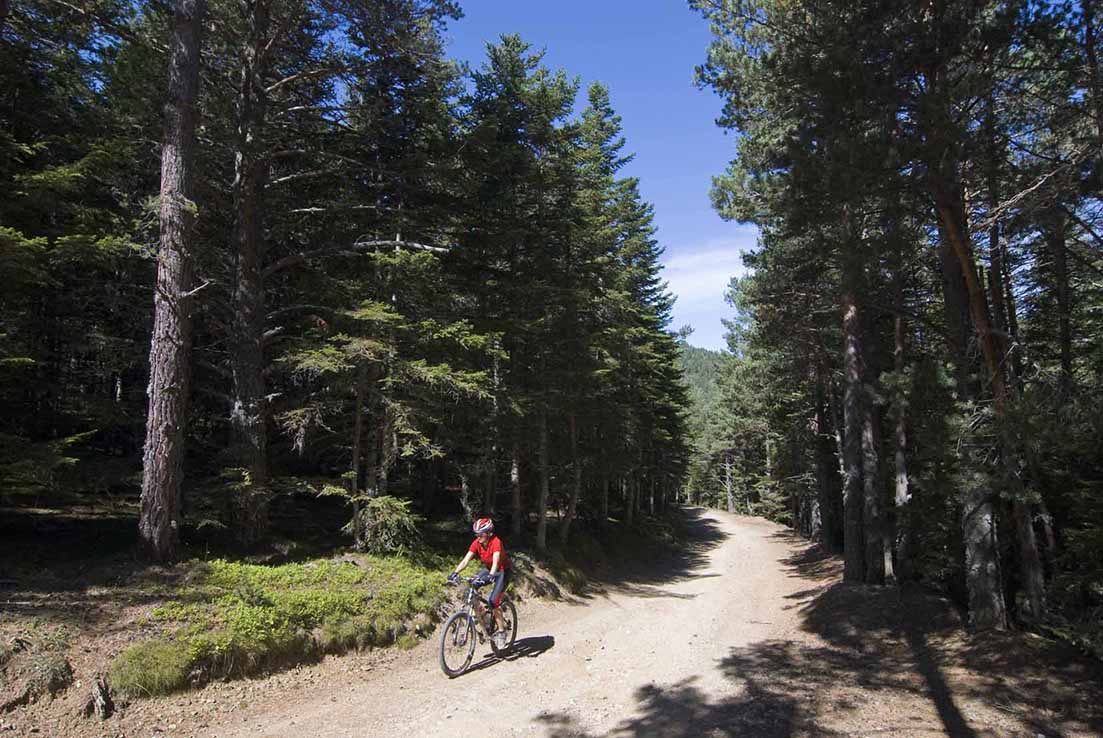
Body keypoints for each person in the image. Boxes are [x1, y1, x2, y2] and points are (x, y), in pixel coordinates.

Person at [448, 517, 511, 648]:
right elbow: (465, 561)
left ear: (488, 533)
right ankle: (484, 620)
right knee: (472, 589)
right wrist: (455, 573)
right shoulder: (477, 543)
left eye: (481, 533)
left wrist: (492, 575)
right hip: (488, 570)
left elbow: (496, 562)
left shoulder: (496, 542)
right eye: (476, 533)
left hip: (502, 572)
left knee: (493, 602)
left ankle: (501, 632)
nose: (478, 536)